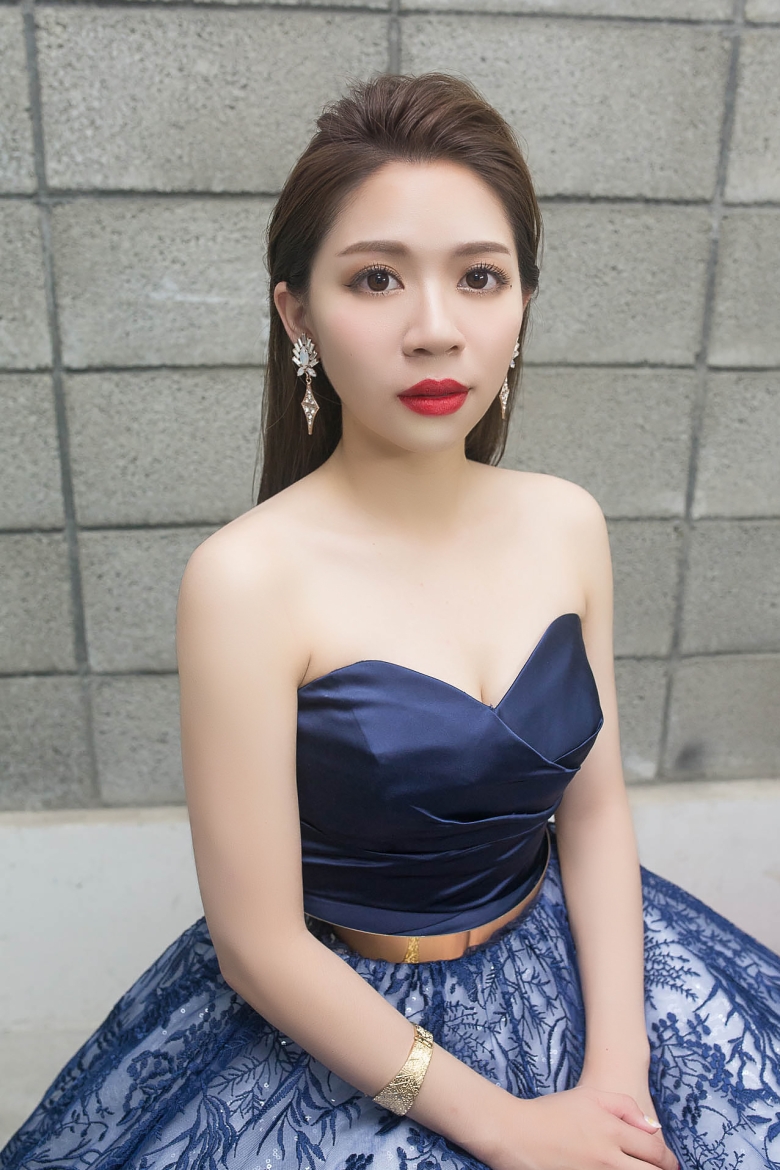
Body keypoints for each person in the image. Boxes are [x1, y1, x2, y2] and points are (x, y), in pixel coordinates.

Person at [2, 72, 779, 1170]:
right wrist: (509, 1129)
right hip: (347, 1029)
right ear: (297, 314)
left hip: (575, 967)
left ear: (522, 300)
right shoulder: (244, 580)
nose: (435, 331)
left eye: (480, 277)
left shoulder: (566, 521)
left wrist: (618, 1071)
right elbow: (259, 945)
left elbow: (595, 812)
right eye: (376, 279)